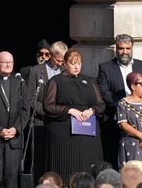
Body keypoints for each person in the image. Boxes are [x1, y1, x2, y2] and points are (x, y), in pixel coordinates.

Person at [43, 49, 105, 181]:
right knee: (67, 168)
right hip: (64, 134)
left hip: (87, 132)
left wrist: (91, 110)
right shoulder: (56, 81)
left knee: (87, 167)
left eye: (79, 63)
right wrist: (69, 110)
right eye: (72, 63)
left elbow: (101, 105)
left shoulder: (89, 81)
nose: (77, 66)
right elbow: (49, 106)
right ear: (64, 64)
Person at [98, 35, 142, 166]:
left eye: (128, 48)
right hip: (115, 123)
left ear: (132, 48)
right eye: (121, 48)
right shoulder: (105, 67)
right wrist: (125, 106)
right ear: (116, 49)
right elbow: (104, 93)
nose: (125, 51)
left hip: (141, 126)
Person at [0, 52, 30, 188]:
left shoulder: (20, 83)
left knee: (12, 177)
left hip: (14, 138)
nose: (8, 64)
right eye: (4, 62)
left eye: (10, 62)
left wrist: (16, 129)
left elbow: (26, 110)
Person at [28, 41, 69, 177]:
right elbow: (30, 99)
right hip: (41, 122)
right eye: (58, 60)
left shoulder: (65, 72)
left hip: (60, 123)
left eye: (63, 61)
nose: (60, 63)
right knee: (40, 161)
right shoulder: (35, 71)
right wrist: (49, 111)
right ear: (50, 55)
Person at [117, 71, 142, 176]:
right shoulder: (122, 103)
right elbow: (123, 124)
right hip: (131, 144)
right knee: (132, 178)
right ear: (133, 86)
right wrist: (141, 136)